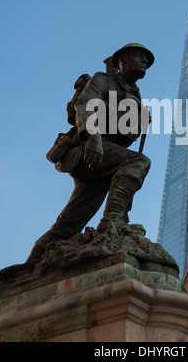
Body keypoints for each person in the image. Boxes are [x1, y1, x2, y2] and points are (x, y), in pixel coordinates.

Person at [26, 43, 154, 262]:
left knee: (68, 225)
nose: (144, 61)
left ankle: (26, 269)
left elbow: (124, 136)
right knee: (139, 162)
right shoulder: (104, 80)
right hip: (88, 147)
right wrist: (93, 138)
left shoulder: (136, 95)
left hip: (105, 162)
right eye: (139, 56)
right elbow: (85, 105)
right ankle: (112, 221)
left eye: (146, 58)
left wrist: (141, 120)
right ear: (122, 60)